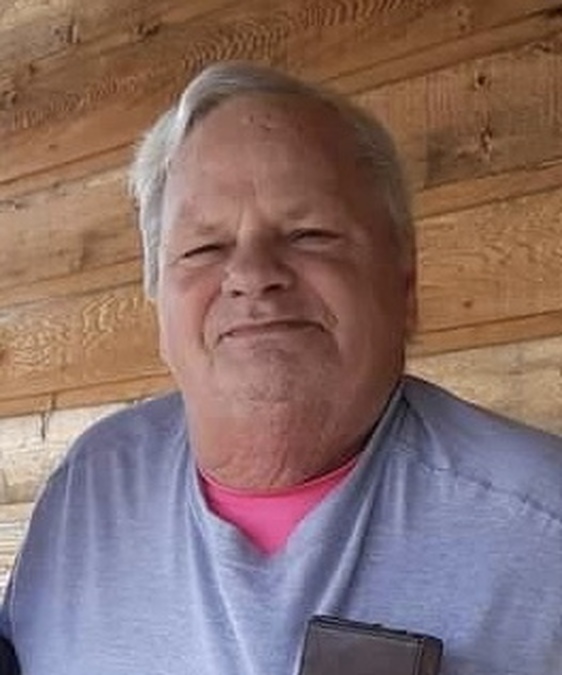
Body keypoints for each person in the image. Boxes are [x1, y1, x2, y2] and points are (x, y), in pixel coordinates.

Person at [1, 61, 561, 675]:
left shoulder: (543, 522)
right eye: (204, 247)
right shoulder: (89, 490)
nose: (251, 275)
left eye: (309, 234)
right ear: (158, 301)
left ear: (405, 283)